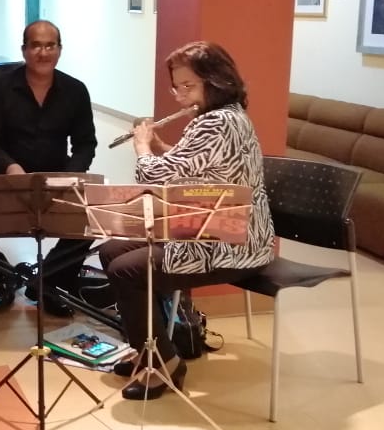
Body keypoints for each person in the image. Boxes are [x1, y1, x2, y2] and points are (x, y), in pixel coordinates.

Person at [98, 41, 274, 400]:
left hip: (227, 241)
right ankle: (150, 347)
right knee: (111, 249)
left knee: (125, 270)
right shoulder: (224, 117)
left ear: (216, 81)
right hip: (213, 227)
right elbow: (192, 168)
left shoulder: (217, 123)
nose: (179, 95)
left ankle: (164, 365)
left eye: (187, 86)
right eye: (175, 86)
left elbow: (155, 178)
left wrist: (143, 147)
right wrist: (163, 148)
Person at [0, 19, 98, 317]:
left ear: (60, 50)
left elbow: (86, 143)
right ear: (24, 50)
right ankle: (2, 275)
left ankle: (47, 282)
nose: (43, 52)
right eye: (36, 45)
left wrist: (70, 175)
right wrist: (11, 168)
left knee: (94, 214)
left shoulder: (76, 90)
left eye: (50, 45)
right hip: (3, 179)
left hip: (54, 182)